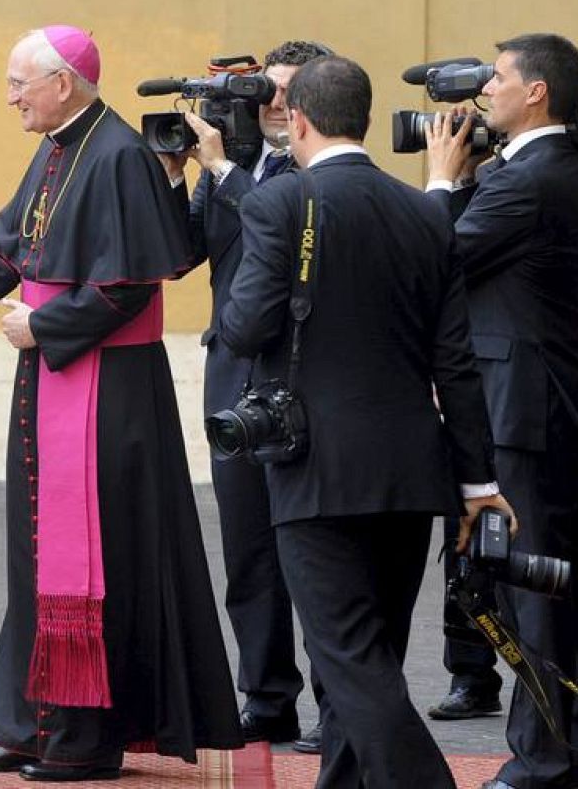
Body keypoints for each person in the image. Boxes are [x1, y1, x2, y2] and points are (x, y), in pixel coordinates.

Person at [0, 26, 242, 782]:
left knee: (95, 561)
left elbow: (129, 284)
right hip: (53, 378)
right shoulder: (58, 148)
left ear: (63, 83)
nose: (10, 97)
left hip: (106, 393)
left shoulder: (116, 156)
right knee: (36, 554)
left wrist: (42, 324)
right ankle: (31, 724)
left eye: (19, 84)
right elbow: (7, 250)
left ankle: (84, 739)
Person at [219, 54, 511, 789]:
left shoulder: (278, 204)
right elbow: (457, 363)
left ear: (300, 121)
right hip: (413, 470)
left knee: (349, 659)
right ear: (368, 118)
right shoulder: (424, 211)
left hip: (316, 468)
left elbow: (245, 328)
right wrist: (477, 483)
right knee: (369, 653)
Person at [426, 33, 578, 789]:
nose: (484, 92)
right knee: (556, 595)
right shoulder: (559, 170)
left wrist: (441, 183)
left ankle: (540, 762)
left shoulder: (530, 178)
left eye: (498, 78)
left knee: (530, 594)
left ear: (537, 91)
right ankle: (573, 758)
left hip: (523, 415)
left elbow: (435, 258)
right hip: (543, 409)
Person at [160, 39, 331, 754]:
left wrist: (222, 171)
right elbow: (176, 256)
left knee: (317, 553)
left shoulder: (320, 168)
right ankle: (266, 698)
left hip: (306, 377)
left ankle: (337, 706)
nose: (274, 102)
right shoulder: (226, 169)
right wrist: (172, 179)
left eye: (287, 90)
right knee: (249, 550)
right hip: (234, 375)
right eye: (267, 89)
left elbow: (281, 224)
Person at [428, 159, 578, 725]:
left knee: (534, 557)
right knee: (465, 541)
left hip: (544, 402)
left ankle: (550, 708)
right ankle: (471, 669)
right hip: (478, 392)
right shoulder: (488, 176)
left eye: (501, 79)